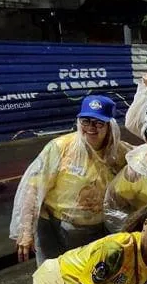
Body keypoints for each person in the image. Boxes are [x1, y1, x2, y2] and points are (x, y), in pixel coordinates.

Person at [11, 95, 130, 265]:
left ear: (109, 125)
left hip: (93, 231)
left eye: (98, 123)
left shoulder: (119, 153)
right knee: (52, 278)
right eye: (86, 121)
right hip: (52, 227)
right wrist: (25, 230)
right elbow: (33, 188)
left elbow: (144, 164)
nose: (91, 128)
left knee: (85, 281)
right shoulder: (60, 147)